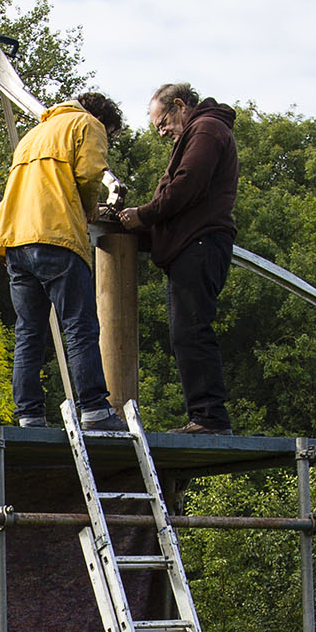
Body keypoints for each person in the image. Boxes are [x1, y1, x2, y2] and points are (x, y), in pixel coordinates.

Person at [108, 83, 238, 434]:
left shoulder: (207, 129)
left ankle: (210, 418)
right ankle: (206, 415)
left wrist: (145, 215)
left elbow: (187, 184)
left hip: (199, 245)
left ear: (180, 105)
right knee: (187, 332)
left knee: (192, 331)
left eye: (162, 123)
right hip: (192, 244)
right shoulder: (201, 131)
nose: (163, 132)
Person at [0, 90, 123, 428]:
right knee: (79, 325)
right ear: (103, 120)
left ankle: (29, 415)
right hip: (56, 235)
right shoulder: (87, 125)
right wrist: (91, 210)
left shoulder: (35, 134)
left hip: (16, 239)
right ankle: (94, 408)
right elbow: (90, 175)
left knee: (29, 331)